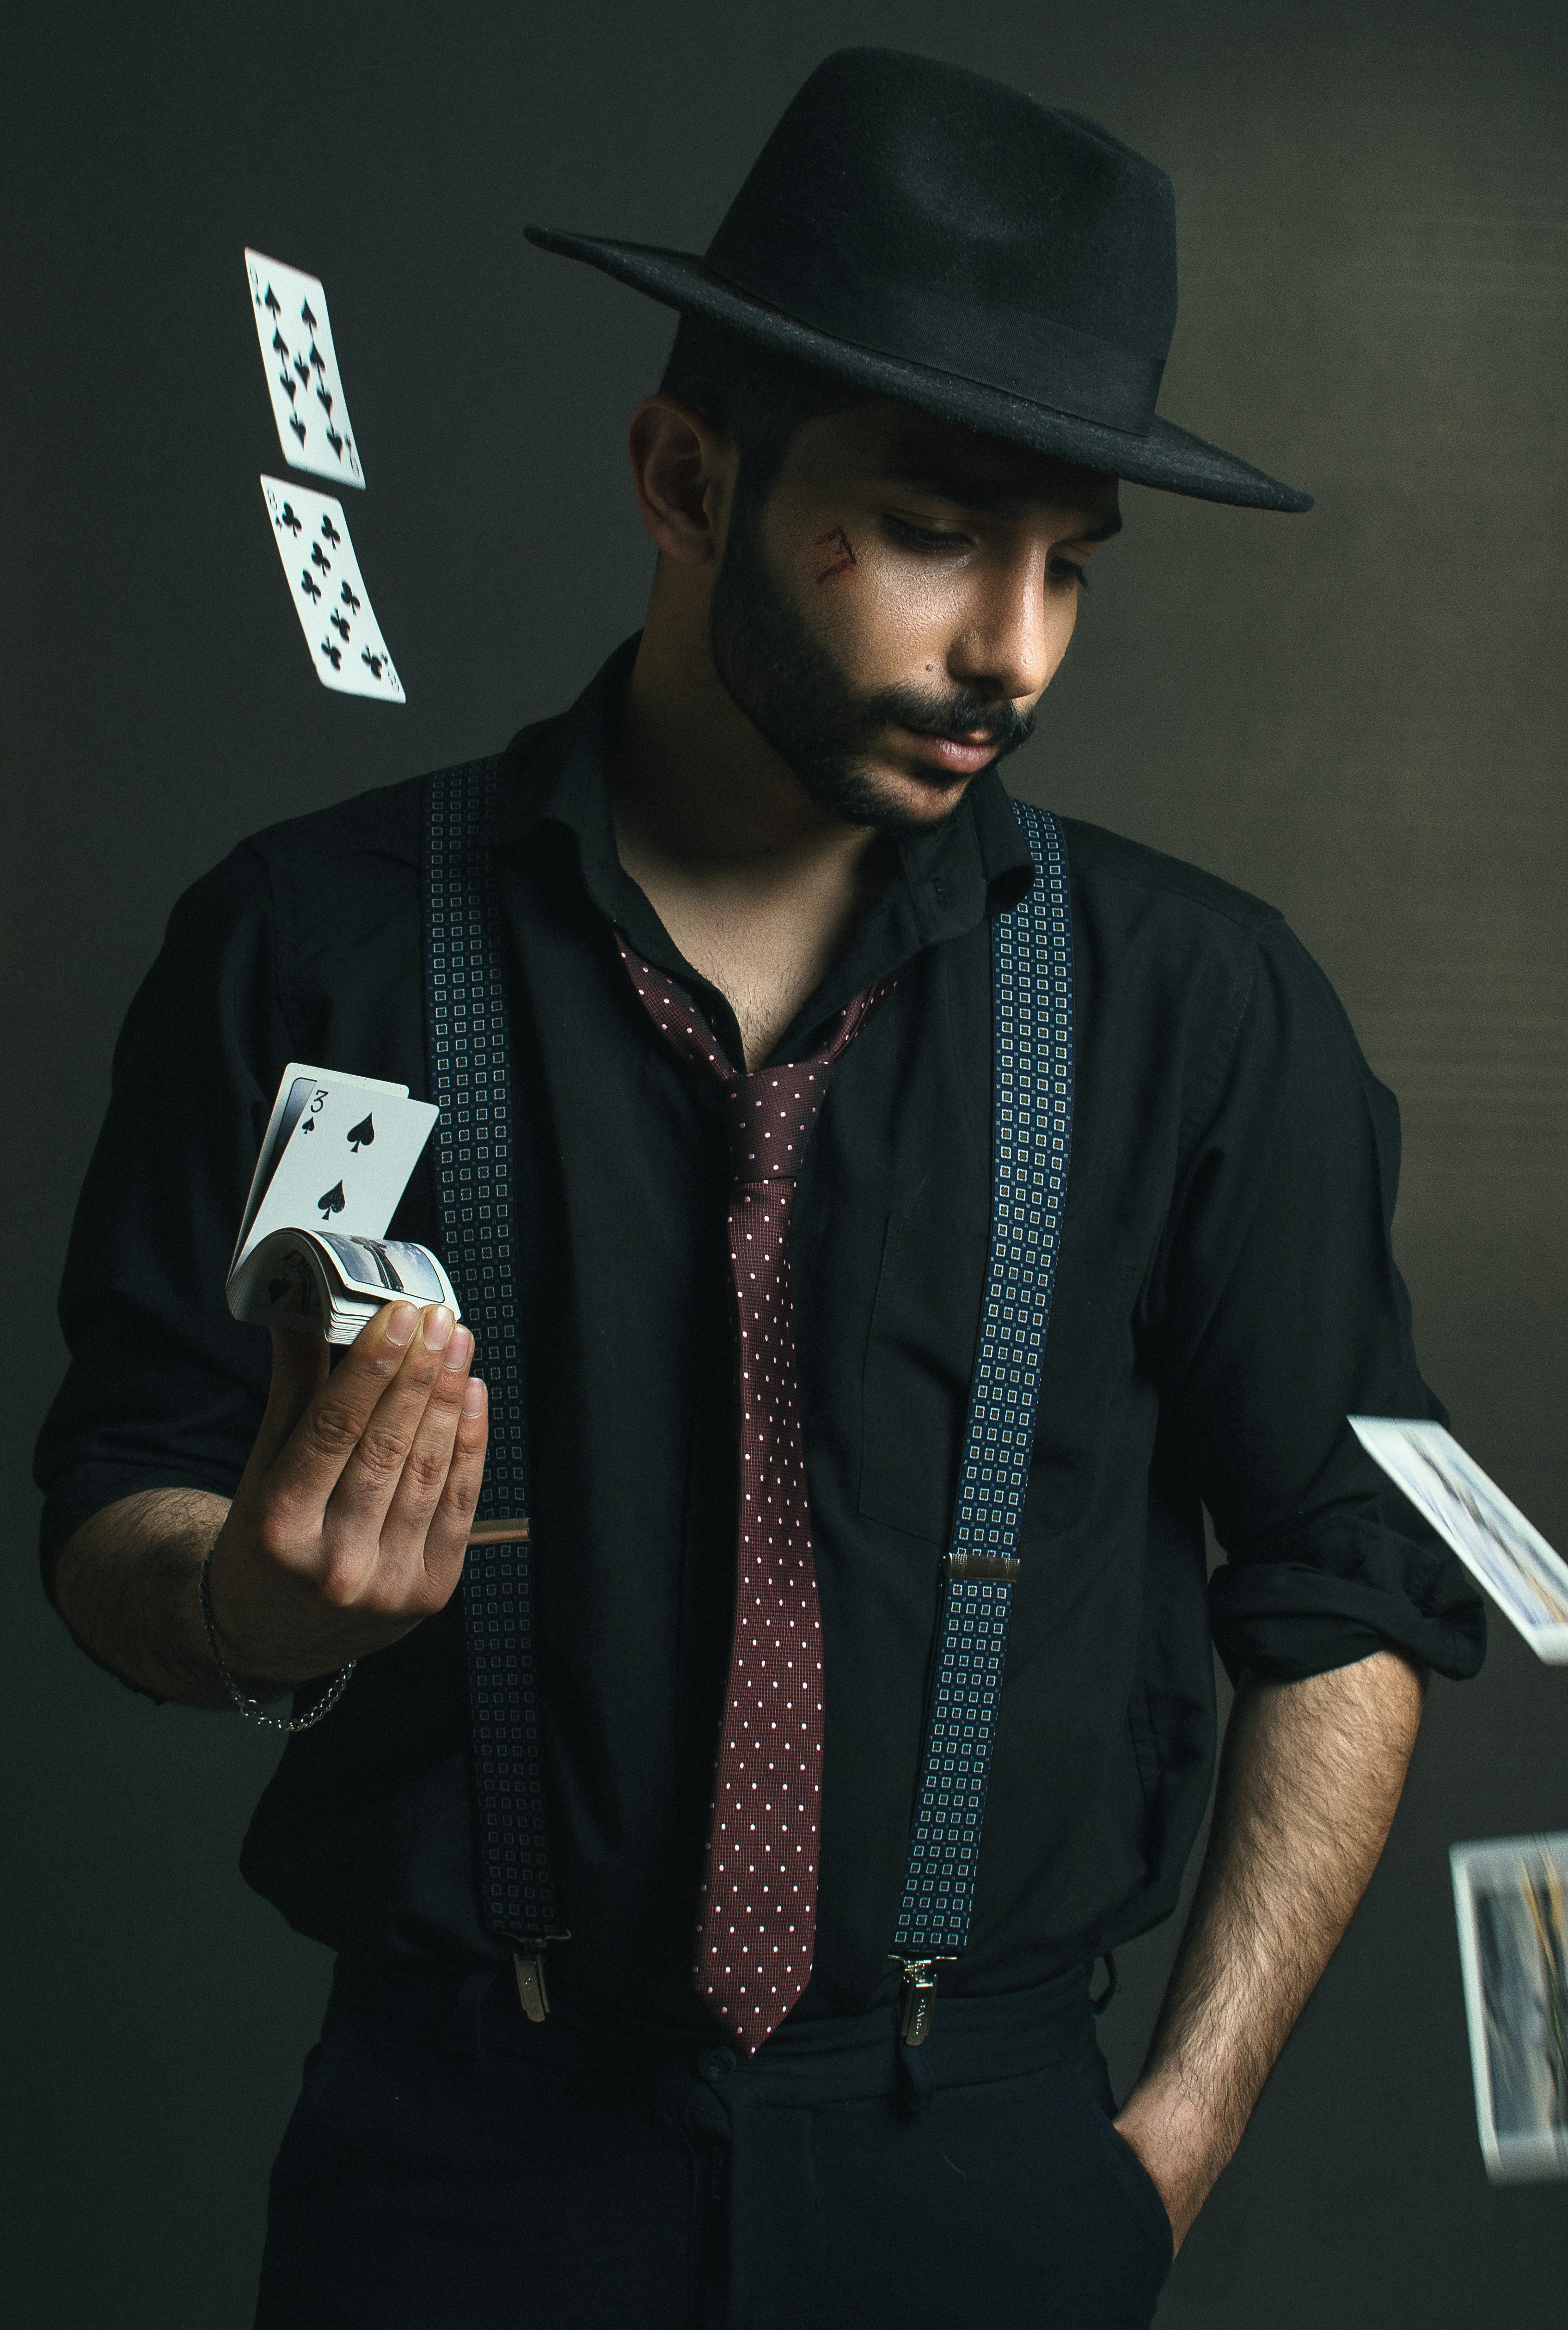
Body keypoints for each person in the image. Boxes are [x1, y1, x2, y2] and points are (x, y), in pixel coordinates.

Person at [37, 47, 1484, 2330]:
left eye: (1065, 568)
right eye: (931, 534)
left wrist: (1161, 2154)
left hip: (984, 2165)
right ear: (681, 474)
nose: (1012, 650)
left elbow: (1341, 1588)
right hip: (456, 2175)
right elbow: (118, 1484)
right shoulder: (302, 941)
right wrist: (249, 1609)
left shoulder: (1208, 1009)